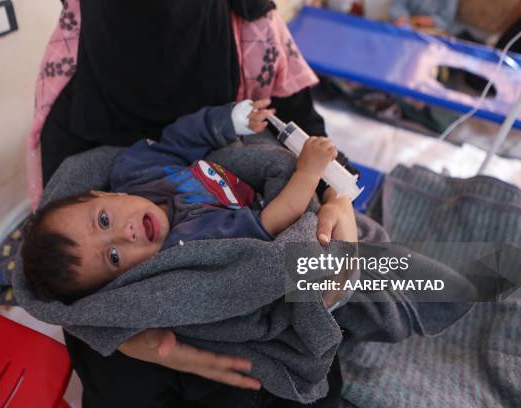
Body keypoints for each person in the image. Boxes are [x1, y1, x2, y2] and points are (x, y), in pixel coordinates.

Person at [31, 1, 354, 406]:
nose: (125, 229)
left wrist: (337, 200)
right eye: (108, 235)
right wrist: (125, 334)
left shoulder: (254, 36)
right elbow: (59, 268)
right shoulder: (77, 75)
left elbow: (313, 146)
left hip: (270, 234)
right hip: (140, 311)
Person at [22, 100, 348, 305]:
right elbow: (272, 221)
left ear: (104, 194)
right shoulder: (190, 241)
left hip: (256, 160)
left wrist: (230, 121)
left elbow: (180, 140)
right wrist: (308, 172)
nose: (126, 234)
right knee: (376, 279)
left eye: (104, 221)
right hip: (294, 209)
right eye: (113, 256)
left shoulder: (135, 171)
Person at [388, 0, 458, 32]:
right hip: (405, 27)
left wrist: (432, 21)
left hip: (432, 33)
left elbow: (447, 19)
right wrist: (401, 17)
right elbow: (397, 5)